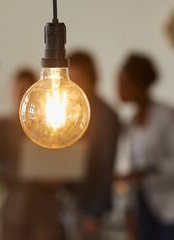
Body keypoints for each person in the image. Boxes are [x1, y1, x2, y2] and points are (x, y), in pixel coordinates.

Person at [117, 53, 174, 240]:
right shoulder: (132, 122)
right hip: (146, 209)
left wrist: (145, 174)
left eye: (123, 83)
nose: (118, 89)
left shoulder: (169, 116)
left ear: (139, 84)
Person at [0, 69, 64, 240]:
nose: (20, 96)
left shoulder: (50, 126)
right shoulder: (2, 126)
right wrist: (31, 173)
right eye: (18, 91)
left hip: (45, 209)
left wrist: (55, 176)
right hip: (14, 209)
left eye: (25, 91)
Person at [68, 51, 120, 240]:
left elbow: (105, 166)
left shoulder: (105, 115)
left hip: (90, 206)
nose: (75, 85)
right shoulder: (67, 111)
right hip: (67, 200)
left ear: (91, 78)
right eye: (70, 79)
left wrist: (94, 213)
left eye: (79, 78)